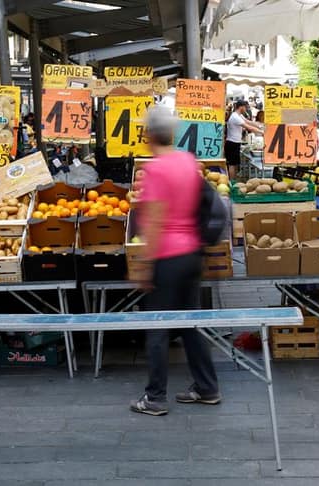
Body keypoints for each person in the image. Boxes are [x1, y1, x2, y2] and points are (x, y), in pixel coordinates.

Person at [129, 105, 220, 417]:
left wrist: (144, 264)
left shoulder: (155, 169)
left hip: (167, 256)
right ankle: (207, 388)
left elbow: (154, 221)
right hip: (192, 253)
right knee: (190, 323)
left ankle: (155, 397)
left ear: (149, 135)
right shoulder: (187, 161)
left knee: (158, 326)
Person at [225, 100, 264, 179]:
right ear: (241, 107)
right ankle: (232, 181)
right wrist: (262, 132)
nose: (246, 109)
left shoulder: (239, 115)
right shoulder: (235, 117)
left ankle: (234, 180)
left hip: (235, 142)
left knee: (235, 164)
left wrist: (260, 126)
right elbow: (248, 127)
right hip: (232, 143)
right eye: (245, 107)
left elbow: (248, 122)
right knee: (232, 164)